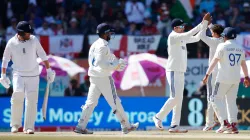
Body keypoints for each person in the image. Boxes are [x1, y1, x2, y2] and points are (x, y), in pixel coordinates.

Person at [74, 23, 139, 134]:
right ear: (104, 34)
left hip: (94, 76)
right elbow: (101, 62)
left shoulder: (95, 44)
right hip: (103, 77)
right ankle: (126, 126)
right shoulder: (103, 46)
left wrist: (116, 61)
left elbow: (106, 58)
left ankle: (81, 126)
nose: (110, 35)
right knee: (115, 101)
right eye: (109, 33)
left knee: (91, 102)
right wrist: (116, 66)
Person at [152, 13, 211, 133]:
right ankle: (158, 117)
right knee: (174, 97)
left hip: (180, 71)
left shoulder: (181, 37)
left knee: (179, 98)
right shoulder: (173, 37)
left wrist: (205, 26)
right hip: (173, 70)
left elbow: (196, 38)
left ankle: (174, 125)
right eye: (181, 26)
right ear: (175, 28)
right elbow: (190, 34)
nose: (183, 28)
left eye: (183, 26)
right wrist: (203, 23)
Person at [0, 21, 56, 134]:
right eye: (27, 33)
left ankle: (29, 127)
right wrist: (3, 75)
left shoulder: (34, 40)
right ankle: (15, 125)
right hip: (18, 74)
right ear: (20, 33)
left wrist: (49, 70)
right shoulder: (11, 43)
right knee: (17, 96)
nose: (30, 34)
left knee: (32, 100)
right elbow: (5, 59)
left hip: (33, 74)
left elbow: (42, 54)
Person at [203, 27, 250, 134]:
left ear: (225, 36)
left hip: (223, 78)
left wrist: (207, 74)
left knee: (214, 98)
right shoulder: (239, 48)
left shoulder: (222, 46)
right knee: (231, 101)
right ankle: (233, 125)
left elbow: (214, 61)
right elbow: (243, 64)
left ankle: (224, 123)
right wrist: (247, 77)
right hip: (235, 79)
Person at [199, 23, 224, 131]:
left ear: (214, 33)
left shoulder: (213, 41)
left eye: (212, 32)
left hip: (213, 73)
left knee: (211, 98)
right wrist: (210, 25)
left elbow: (201, 36)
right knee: (219, 98)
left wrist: (205, 24)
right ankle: (213, 122)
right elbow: (218, 32)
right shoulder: (224, 40)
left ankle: (219, 122)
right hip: (222, 73)